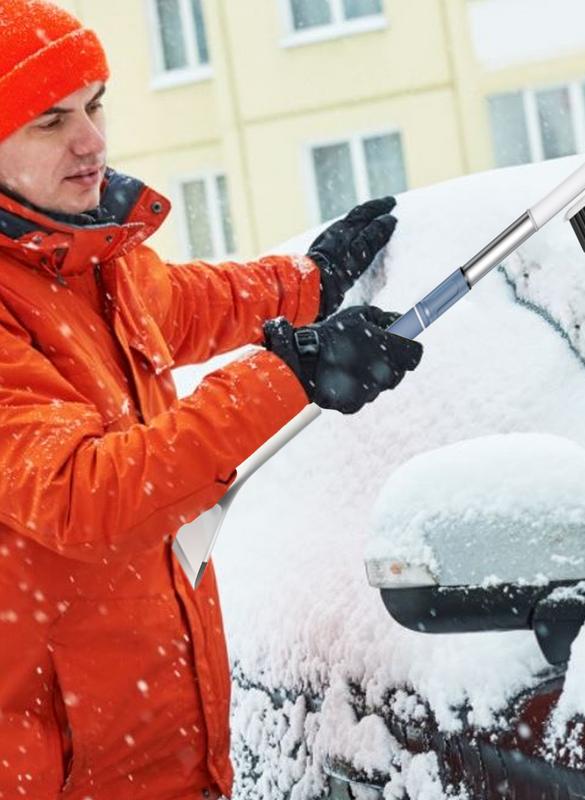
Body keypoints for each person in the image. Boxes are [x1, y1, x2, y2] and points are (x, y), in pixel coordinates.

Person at [0, 2, 422, 798]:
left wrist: (309, 283)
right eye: (49, 121)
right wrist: (291, 377)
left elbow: (190, 304)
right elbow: (84, 493)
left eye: (94, 106)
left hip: (170, 758)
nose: (91, 141)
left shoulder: (89, 260)